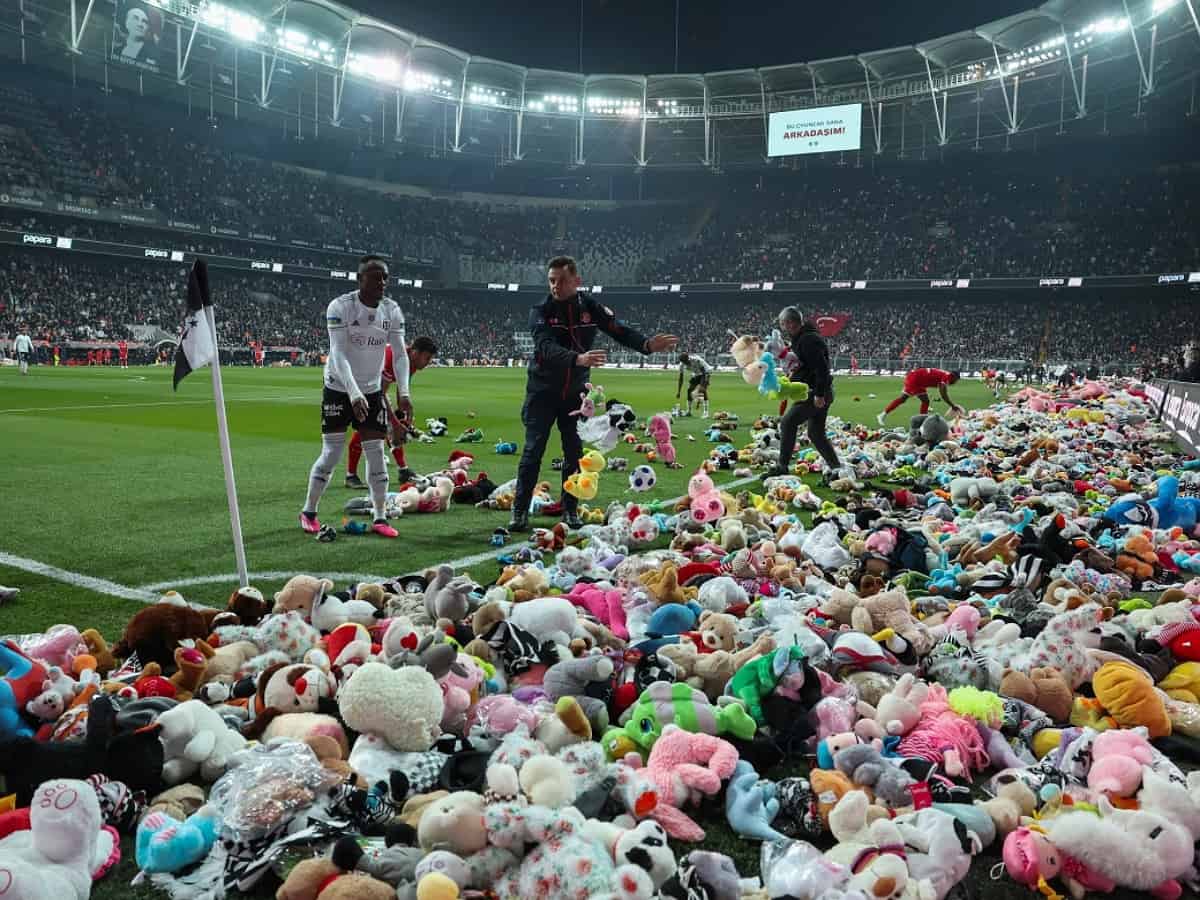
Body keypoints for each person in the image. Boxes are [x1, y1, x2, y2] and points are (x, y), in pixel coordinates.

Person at [508, 255, 677, 532]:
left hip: (576, 396)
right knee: (532, 451)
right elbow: (544, 348)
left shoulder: (590, 307)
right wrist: (579, 359)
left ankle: (570, 509)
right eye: (551, 280)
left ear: (577, 280)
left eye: (561, 280)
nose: (555, 286)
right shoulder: (540, 310)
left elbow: (617, 329)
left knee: (574, 453)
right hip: (542, 392)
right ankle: (519, 511)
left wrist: (646, 344)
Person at [299, 255, 410, 539]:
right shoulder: (340, 307)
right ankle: (309, 511)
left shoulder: (392, 310)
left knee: (376, 453)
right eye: (375, 276)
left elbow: (399, 354)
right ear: (360, 279)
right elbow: (337, 353)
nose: (382, 282)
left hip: (371, 391)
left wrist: (404, 392)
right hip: (338, 387)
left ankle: (381, 516)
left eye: (385, 276)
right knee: (331, 453)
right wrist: (352, 392)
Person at [767, 307, 851, 482]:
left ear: (790, 323)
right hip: (819, 391)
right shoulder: (804, 337)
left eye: (783, 323)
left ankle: (782, 466)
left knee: (788, 422)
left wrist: (819, 394)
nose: (782, 327)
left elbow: (821, 367)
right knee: (816, 433)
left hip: (815, 392)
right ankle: (836, 468)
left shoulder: (807, 340)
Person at [345, 336, 438, 488]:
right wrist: (395, 422)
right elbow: (379, 394)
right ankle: (351, 475)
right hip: (356, 383)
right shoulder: (392, 357)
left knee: (386, 426)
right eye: (427, 358)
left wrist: (405, 413)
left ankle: (403, 470)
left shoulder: (411, 363)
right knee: (370, 426)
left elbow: (403, 387)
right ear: (415, 353)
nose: (428, 363)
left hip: (372, 385)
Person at [878, 367, 964, 424]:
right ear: (954, 377)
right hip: (915, 380)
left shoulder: (946, 375)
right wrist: (952, 405)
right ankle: (922, 421)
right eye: (957, 380)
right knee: (917, 400)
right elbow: (943, 394)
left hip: (917, 378)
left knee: (910, 399)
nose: (956, 382)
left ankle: (883, 414)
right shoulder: (946, 378)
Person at [676, 352, 713, 418]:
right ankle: (689, 412)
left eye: (685, 361)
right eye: (683, 362)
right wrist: (679, 391)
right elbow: (681, 378)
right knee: (689, 390)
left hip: (706, 371)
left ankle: (706, 413)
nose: (685, 363)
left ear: (688, 358)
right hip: (696, 373)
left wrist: (705, 382)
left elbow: (703, 372)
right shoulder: (682, 364)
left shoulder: (696, 360)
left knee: (702, 390)